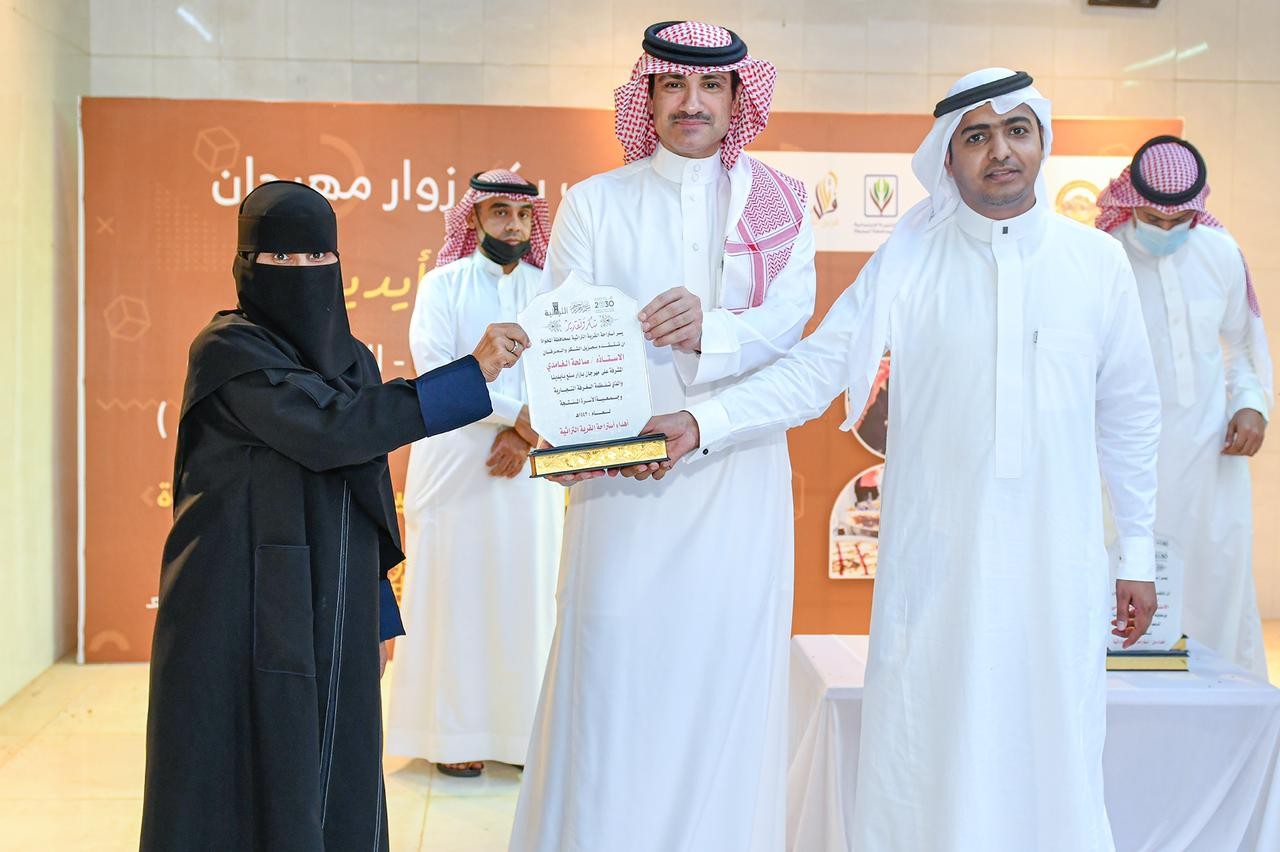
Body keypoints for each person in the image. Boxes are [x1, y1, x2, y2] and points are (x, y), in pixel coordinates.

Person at [647, 69, 1162, 850]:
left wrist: (1138, 554)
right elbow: (817, 368)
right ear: (946, 158)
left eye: (1016, 130)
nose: (1000, 151)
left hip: (1056, 569)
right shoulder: (911, 259)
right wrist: (702, 420)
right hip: (937, 573)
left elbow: (1130, 414)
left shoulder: (1096, 263)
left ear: (1043, 142)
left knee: (1054, 749)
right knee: (926, 754)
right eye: (976, 136)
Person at [140, 180, 528, 851]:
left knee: (332, 775)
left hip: (330, 596)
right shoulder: (228, 351)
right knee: (233, 774)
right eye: (283, 260)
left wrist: (375, 612)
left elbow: (367, 487)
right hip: (232, 605)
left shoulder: (353, 362)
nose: (304, 273)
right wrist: (470, 374)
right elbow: (333, 432)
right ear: (246, 264)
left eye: (319, 257)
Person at [508, 21, 816, 851]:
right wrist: (582, 435)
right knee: (612, 676)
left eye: (710, 86)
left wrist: (711, 327)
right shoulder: (595, 202)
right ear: (645, 96)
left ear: (737, 97)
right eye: (673, 84)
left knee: (725, 679)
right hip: (620, 490)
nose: (692, 102)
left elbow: (790, 326)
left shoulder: (782, 203)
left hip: (736, 474)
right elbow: (567, 333)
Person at [386, 170, 563, 778]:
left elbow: (567, 371)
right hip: (455, 462)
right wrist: (515, 419)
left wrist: (525, 434)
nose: (513, 226)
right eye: (499, 213)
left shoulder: (550, 288)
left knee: (524, 593)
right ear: (475, 218)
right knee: (453, 595)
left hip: (529, 468)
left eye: (523, 215)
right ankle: (452, 735)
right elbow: (438, 370)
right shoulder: (442, 286)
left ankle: (523, 736)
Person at [1097, 136, 1273, 675]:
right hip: (1123, 463)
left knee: (1218, 578)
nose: (1167, 230)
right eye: (1154, 219)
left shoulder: (1221, 253)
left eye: (1180, 221)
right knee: (1125, 583)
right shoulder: (1102, 258)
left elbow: (1240, 343)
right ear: (1130, 202)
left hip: (1209, 458)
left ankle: (1226, 695)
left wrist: (1250, 403)